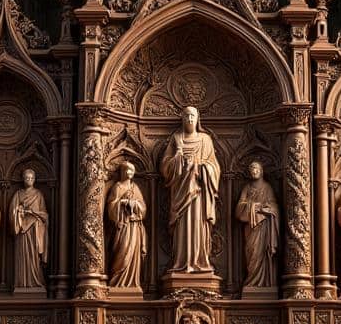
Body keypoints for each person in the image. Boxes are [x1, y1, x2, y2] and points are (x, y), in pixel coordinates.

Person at [159, 106, 221, 273]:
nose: (190, 118)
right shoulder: (176, 138)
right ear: (182, 119)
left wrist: (201, 168)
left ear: (198, 118)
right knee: (182, 229)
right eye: (186, 115)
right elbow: (165, 167)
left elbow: (214, 166)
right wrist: (179, 158)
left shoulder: (205, 139)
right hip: (180, 192)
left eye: (192, 115)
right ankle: (181, 262)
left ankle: (200, 261)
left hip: (199, 194)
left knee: (198, 227)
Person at [235, 161, 278, 289]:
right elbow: (238, 208)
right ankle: (251, 280)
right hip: (251, 227)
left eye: (256, 169)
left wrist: (265, 208)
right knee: (251, 253)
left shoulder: (267, 187)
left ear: (261, 171)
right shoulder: (247, 188)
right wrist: (251, 206)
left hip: (264, 227)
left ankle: (264, 282)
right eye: (252, 170)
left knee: (262, 254)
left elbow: (274, 206)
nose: (254, 172)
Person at [107, 161, 147, 290]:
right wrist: (122, 203)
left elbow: (143, 208)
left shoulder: (135, 188)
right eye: (128, 170)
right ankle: (117, 280)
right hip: (123, 226)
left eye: (132, 170)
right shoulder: (117, 187)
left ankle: (133, 282)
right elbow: (111, 206)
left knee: (133, 253)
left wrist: (134, 204)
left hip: (134, 226)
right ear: (122, 171)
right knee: (123, 252)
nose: (130, 173)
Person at [10, 168, 49, 292]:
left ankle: (36, 281)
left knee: (34, 257)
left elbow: (45, 215)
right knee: (22, 257)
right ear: (23, 179)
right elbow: (12, 212)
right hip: (22, 230)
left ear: (34, 180)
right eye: (27, 178)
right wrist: (19, 213)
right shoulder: (18, 194)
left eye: (31, 178)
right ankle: (21, 283)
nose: (29, 180)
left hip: (34, 230)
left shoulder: (38, 194)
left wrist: (33, 212)